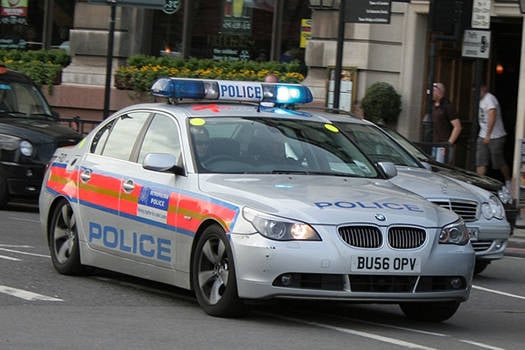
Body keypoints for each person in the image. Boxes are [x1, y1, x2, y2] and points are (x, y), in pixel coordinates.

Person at [476, 85, 511, 189]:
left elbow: (492, 115)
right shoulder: (480, 100)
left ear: (483, 89)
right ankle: (479, 184)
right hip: (482, 135)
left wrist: (488, 134)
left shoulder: (489, 99)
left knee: (498, 162)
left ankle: (508, 181)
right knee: (480, 161)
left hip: (495, 136)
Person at [431, 82, 462, 163]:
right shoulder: (433, 106)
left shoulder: (448, 106)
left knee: (441, 170)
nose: (431, 92)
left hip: (443, 146)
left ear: (439, 91)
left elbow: (457, 127)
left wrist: (448, 144)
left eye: (433, 90)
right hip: (434, 144)